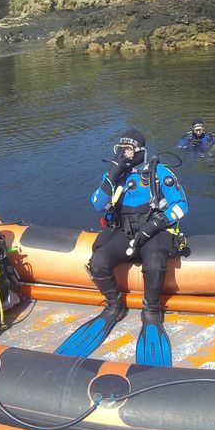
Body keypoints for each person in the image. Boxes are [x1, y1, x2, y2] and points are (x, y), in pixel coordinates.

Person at [54, 129, 188, 366]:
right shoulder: (115, 176)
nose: (124, 154)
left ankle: (151, 311)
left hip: (152, 232)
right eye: (120, 150)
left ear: (140, 152)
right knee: (98, 261)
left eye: (129, 150)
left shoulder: (158, 173)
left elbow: (181, 206)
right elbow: (97, 204)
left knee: (155, 264)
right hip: (122, 231)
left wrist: (156, 223)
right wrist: (111, 175)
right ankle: (114, 304)